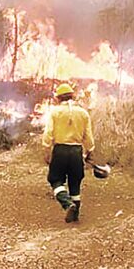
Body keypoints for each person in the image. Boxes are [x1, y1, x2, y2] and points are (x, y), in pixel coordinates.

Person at [42, 83, 95, 223]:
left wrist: (46, 150)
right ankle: (75, 213)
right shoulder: (83, 113)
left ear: (58, 98)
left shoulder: (55, 112)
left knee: (55, 179)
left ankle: (67, 203)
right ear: (72, 96)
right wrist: (89, 151)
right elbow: (88, 137)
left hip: (60, 150)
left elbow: (48, 134)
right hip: (77, 151)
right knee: (75, 182)